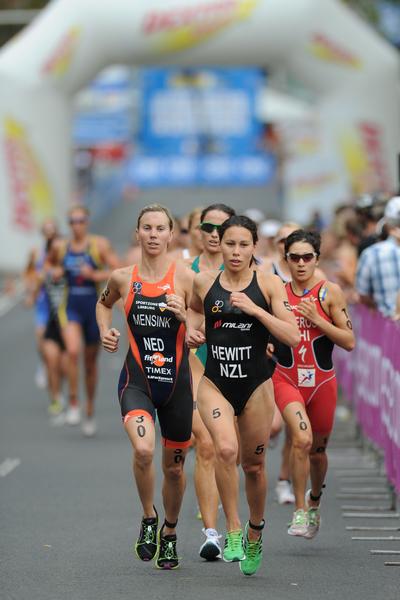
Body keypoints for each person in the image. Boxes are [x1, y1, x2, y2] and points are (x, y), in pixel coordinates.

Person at [187, 215, 300, 576]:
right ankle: (232, 530)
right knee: (224, 449)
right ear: (219, 244)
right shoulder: (205, 282)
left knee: (253, 466)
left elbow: (293, 336)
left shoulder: (268, 285)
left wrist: (255, 311)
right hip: (215, 382)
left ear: (255, 247)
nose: (235, 252)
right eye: (229, 244)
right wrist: (192, 332)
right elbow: (192, 309)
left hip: (255, 386)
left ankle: (254, 530)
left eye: (243, 245)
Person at [96, 204, 194, 570]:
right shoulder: (123, 278)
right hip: (137, 381)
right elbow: (103, 305)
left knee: (174, 469)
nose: (153, 235)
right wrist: (106, 331)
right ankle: (149, 516)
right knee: (142, 450)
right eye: (146, 228)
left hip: (177, 388)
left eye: (159, 229)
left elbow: (202, 328)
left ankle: (169, 532)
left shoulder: (185, 279)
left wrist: (186, 317)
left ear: (171, 235)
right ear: (137, 234)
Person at [272, 229, 355, 539]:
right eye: (295, 258)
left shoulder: (329, 292)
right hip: (287, 379)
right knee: (301, 440)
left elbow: (349, 341)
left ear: (317, 259)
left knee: (318, 452)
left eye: (308, 257)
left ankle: (314, 501)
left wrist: (318, 321)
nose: (301, 263)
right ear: (286, 260)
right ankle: (299, 512)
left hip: (322, 383)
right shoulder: (277, 292)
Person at [188, 203, 236, 561]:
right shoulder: (183, 272)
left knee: (230, 452)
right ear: (197, 231)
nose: (214, 234)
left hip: (237, 370)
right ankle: (211, 533)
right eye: (207, 227)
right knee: (205, 444)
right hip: (194, 368)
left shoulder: (250, 272)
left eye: (222, 228)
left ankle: (235, 524)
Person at [49, 205, 120, 435]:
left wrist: (94, 275)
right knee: (71, 351)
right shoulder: (61, 247)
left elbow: (118, 271)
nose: (76, 225)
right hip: (71, 308)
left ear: (87, 222)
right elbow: (50, 264)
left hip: (95, 308)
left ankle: (89, 407)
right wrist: (55, 271)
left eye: (80, 220)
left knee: (90, 364)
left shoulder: (98, 245)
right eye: (71, 221)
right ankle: (72, 401)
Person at [356, 196, 400, 317]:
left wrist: (377, 307)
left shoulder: (371, 253)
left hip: (387, 326)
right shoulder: (371, 253)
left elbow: (362, 294)